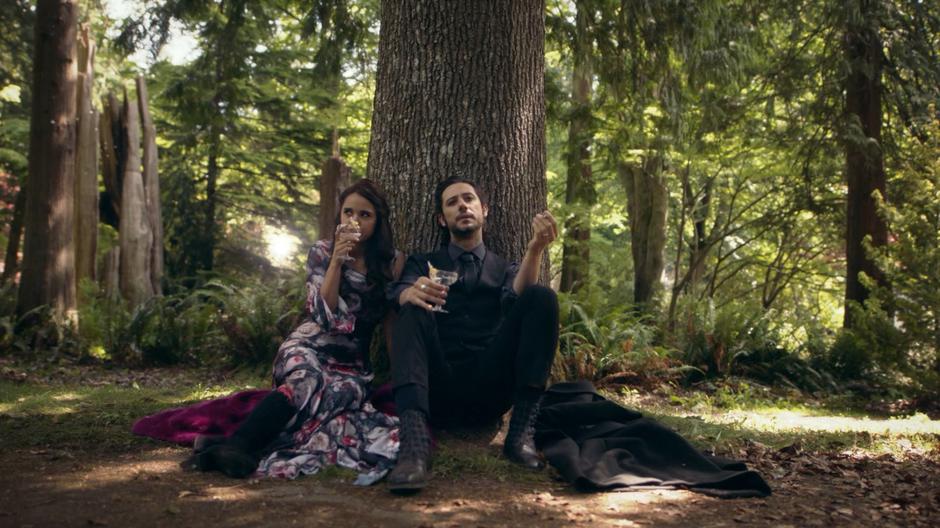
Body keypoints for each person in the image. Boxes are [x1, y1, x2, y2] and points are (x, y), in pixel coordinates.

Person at [189, 179, 405, 485]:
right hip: (309, 344)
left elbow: (390, 321)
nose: (354, 221)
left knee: (337, 400)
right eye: (348, 213)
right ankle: (238, 448)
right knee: (307, 379)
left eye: (364, 215)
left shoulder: (393, 263)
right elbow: (324, 312)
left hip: (351, 360)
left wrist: (400, 374)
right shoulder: (321, 251)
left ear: (378, 220)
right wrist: (336, 262)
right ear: (339, 217)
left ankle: (222, 443)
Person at [385, 177, 560, 493]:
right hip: (436, 390)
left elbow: (518, 297)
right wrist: (410, 291)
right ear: (442, 219)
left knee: (542, 297)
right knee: (410, 303)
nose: (462, 205)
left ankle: (520, 434)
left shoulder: (503, 266)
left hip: (488, 389)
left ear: (484, 210)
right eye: (452, 202)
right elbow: (395, 290)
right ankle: (414, 445)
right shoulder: (423, 262)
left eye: (469, 199)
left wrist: (535, 249)